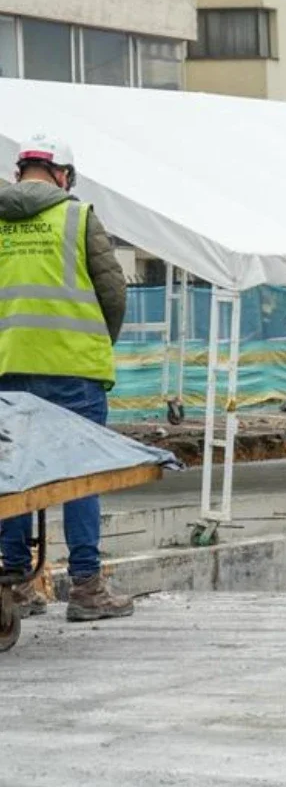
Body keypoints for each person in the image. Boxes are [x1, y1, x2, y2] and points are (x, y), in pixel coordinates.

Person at [0, 139, 135, 622]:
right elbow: (113, 291)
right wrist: (97, 342)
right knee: (81, 474)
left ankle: (15, 583)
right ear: (63, 175)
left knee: (13, 476)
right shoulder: (77, 217)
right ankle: (86, 586)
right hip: (74, 371)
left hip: (8, 368)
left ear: (21, 172)